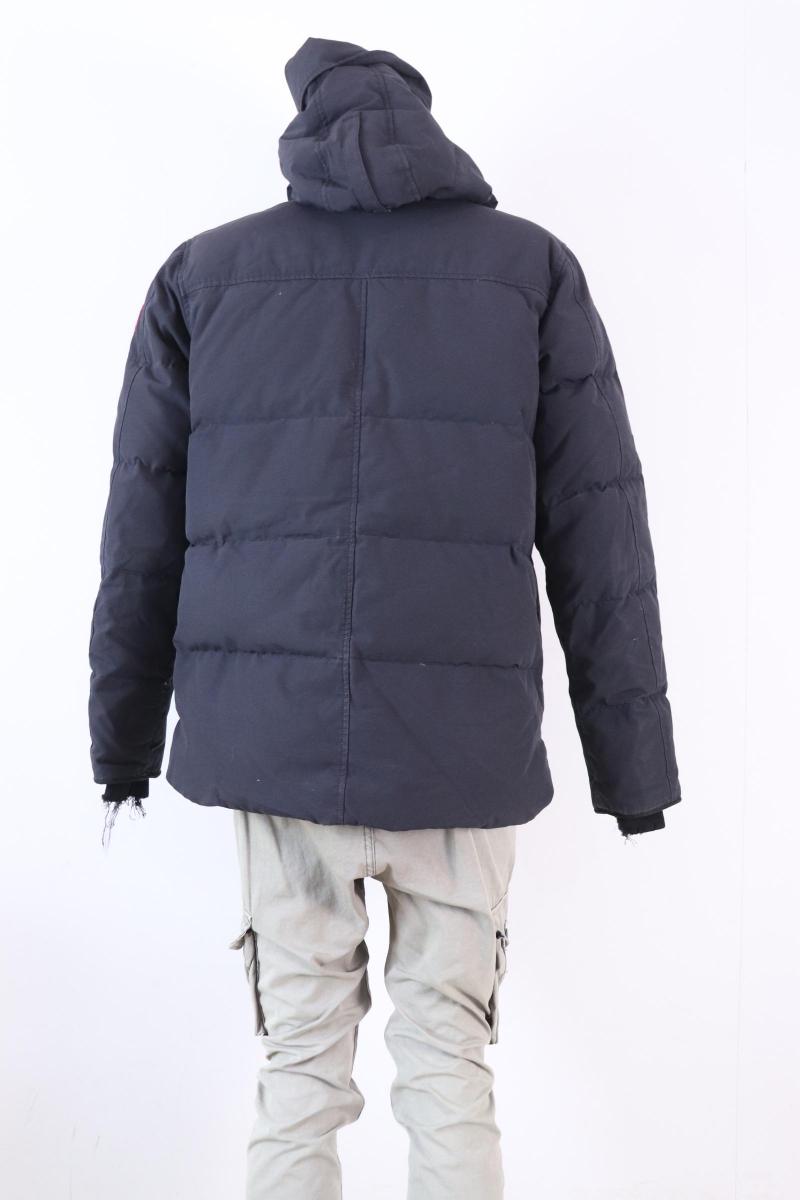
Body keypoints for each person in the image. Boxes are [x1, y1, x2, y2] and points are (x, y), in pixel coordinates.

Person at [87, 36, 681, 1200]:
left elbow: (139, 530)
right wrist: (633, 774)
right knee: (448, 1067)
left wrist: (122, 746)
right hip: (460, 757)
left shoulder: (205, 275)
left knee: (298, 1071)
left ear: (301, 127)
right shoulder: (526, 270)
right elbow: (601, 532)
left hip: (274, 750)